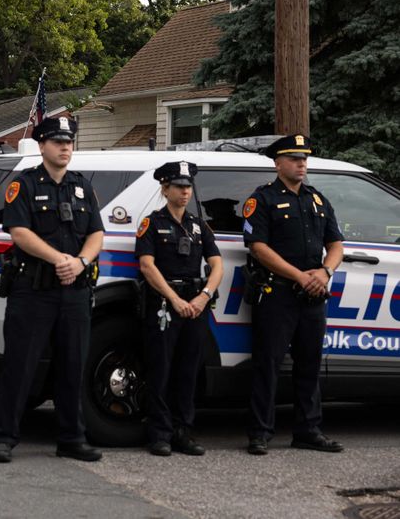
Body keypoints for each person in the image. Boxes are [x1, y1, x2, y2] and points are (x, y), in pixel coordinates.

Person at [0, 116, 104, 464]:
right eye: (57, 141)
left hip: (75, 292)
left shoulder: (83, 187)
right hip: (33, 290)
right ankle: (4, 438)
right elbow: (19, 232)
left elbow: (97, 233)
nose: (65, 147)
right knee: (20, 366)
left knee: (74, 367)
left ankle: (72, 438)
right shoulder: (23, 185)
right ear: (42, 146)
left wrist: (81, 262)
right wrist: (59, 260)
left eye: (69, 142)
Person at [242, 134, 344, 456]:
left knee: (310, 365)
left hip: (313, 296)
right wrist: (299, 275)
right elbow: (257, 247)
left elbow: (336, 244)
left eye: (304, 159)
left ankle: (308, 430)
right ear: (278, 163)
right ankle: (260, 433)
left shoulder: (317, 200)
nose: (301, 164)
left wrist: (325, 272)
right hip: (278, 293)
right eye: (294, 159)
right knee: (267, 364)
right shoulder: (263, 200)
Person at [135, 161, 223, 457]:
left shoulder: (199, 225)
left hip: (196, 305)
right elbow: (147, 266)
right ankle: (159, 434)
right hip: (164, 304)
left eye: (188, 187)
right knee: (161, 370)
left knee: (189, 370)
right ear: (165, 189)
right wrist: (174, 299)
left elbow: (217, 263)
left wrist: (204, 296)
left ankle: (183, 432)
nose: (185, 192)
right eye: (179, 187)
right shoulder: (152, 223)